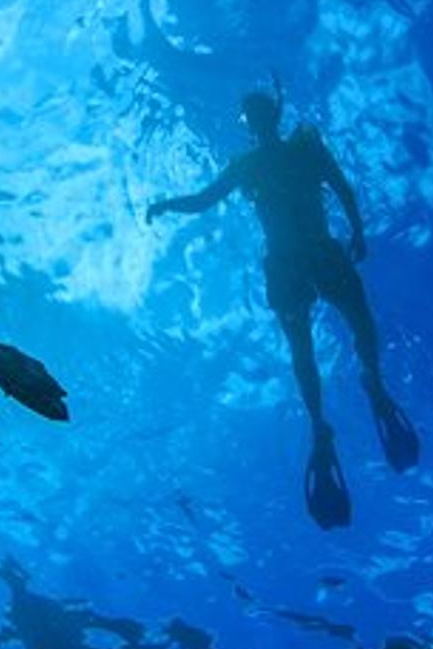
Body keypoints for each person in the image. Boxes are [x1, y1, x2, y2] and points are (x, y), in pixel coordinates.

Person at [149, 88, 418, 528]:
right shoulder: (288, 154)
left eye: (252, 116)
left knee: (321, 342)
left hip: (296, 260)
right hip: (307, 257)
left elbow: (204, 200)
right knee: (343, 331)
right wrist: (357, 231)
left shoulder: (277, 156)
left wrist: (357, 231)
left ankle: (338, 411)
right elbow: (341, 190)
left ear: (260, 119)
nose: (253, 122)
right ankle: (358, 394)